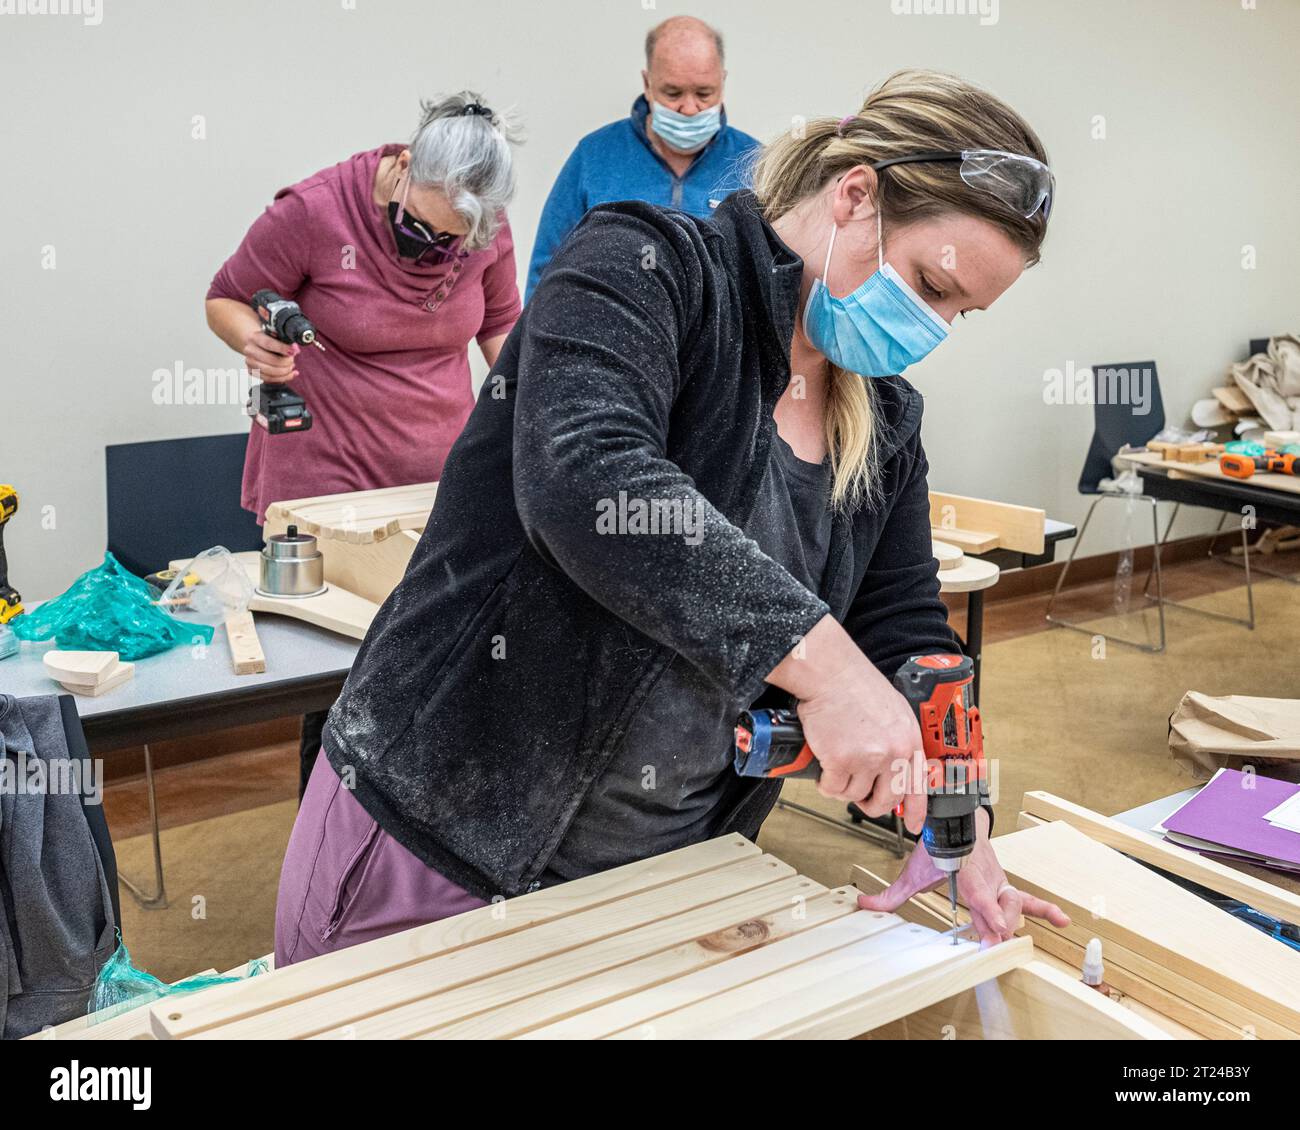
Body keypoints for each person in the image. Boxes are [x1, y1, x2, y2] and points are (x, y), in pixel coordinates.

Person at [274, 69, 1070, 969]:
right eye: (930, 283)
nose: (930, 325)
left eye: (958, 312)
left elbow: (908, 630)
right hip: (447, 832)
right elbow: (589, 482)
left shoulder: (883, 421)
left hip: (665, 873)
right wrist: (829, 673)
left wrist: (955, 821)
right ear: (855, 195)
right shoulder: (644, 266)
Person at [205, 92, 522, 797]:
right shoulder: (315, 211)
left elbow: (502, 331)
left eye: (453, 243)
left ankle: (413, 850)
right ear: (403, 167)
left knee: (439, 664)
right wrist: (252, 341)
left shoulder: (484, 228)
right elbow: (226, 296)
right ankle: (328, 849)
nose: (435, 251)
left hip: (435, 482)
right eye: (422, 228)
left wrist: (537, 412)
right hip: (324, 481)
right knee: (340, 678)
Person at [525, 15, 758, 299]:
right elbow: (546, 270)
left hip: (721, 341)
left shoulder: (755, 166)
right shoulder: (594, 157)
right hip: (608, 335)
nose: (688, 108)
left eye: (704, 93)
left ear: (722, 82)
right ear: (647, 84)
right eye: (672, 93)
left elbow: (779, 278)